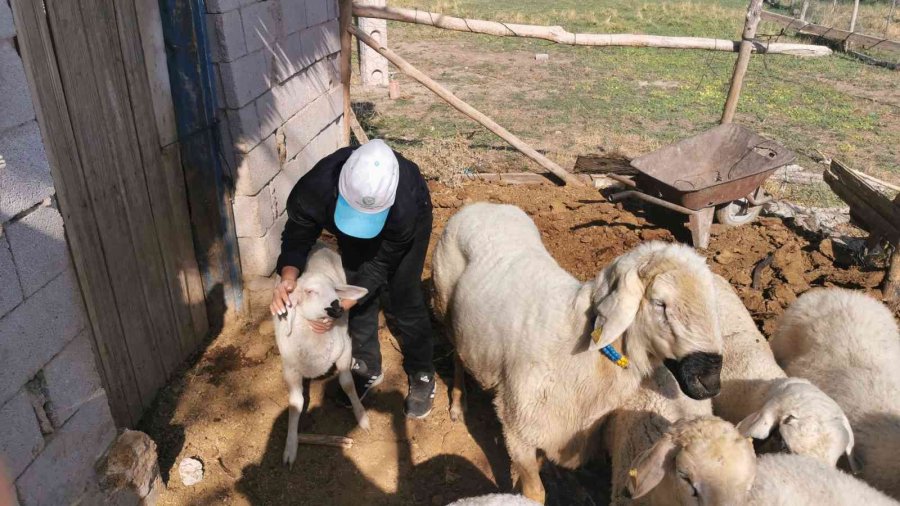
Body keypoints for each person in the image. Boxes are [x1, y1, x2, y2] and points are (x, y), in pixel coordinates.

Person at [270, 139, 436, 419]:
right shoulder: (316, 188)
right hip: (348, 218)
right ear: (341, 189)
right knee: (357, 282)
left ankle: (421, 371)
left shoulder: (404, 207)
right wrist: (288, 275)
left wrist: (344, 303)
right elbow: (298, 232)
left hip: (404, 224)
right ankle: (368, 366)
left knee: (403, 295)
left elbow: (381, 264)